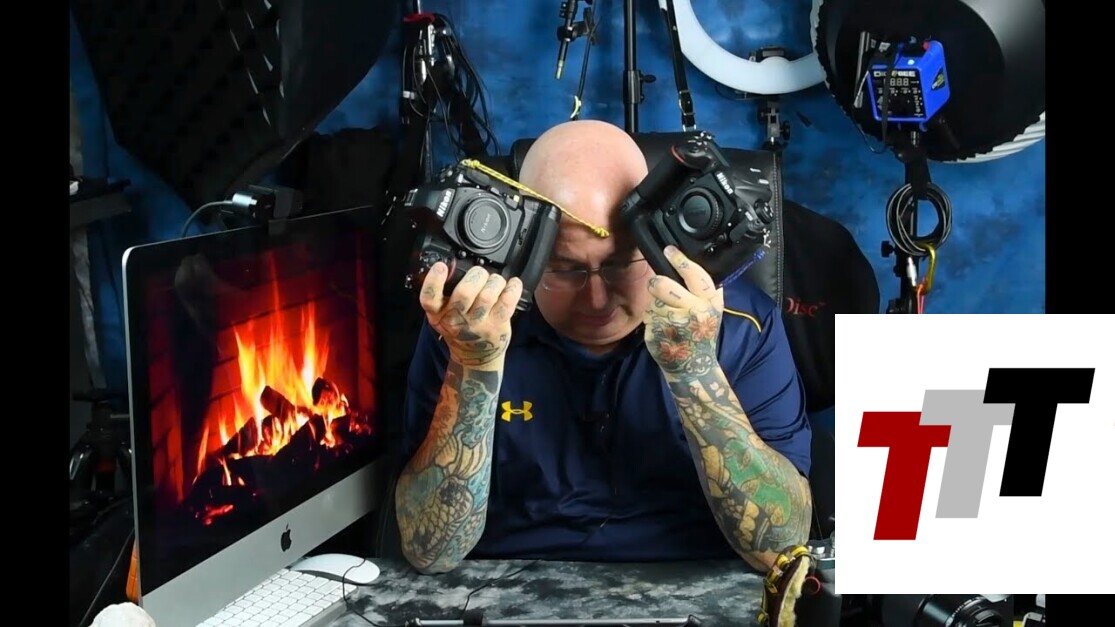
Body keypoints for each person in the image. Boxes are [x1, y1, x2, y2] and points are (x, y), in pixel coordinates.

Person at [394, 120, 813, 575]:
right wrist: (474, 366)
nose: (596, 299)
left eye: (620, 264)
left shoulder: (741, 323)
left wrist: (693, 368)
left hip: (693, 579)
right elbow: (430, 550)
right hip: (504, 583)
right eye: (565, 268)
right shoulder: (468, 325)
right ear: (522, 248)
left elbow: (781, 548)